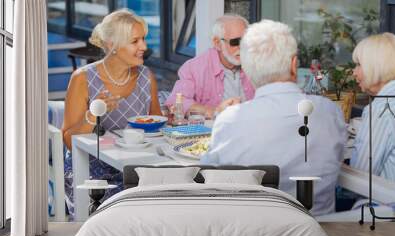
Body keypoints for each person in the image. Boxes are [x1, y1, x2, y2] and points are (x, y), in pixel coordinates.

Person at [200, 20, 347, 216]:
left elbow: (206, 182)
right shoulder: (330, 112)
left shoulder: (231, 121)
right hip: (322, 235)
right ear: (294, 65)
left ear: (247, 70)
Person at [62, 9, 162, 216]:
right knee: (125, 211)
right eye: (135, 41)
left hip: (137, 168)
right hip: (91, 172)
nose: (144, 46)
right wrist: (92, 114)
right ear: (111, 45)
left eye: (143, 39)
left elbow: (158, 127)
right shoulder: (82, 78)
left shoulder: (146, 76)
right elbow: (71, 141)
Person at [164, 14, 255, 118]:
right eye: (235, 42)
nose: (241, 47)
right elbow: (176, 102)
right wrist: (214, 111)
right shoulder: (194, 68)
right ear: (217, 43)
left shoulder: (257, 63)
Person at [350, 33, 395, 182]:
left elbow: (361, 174)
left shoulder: (382, 109)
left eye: (359, 65)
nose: (354, 72)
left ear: (376, 66)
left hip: (389, 202)